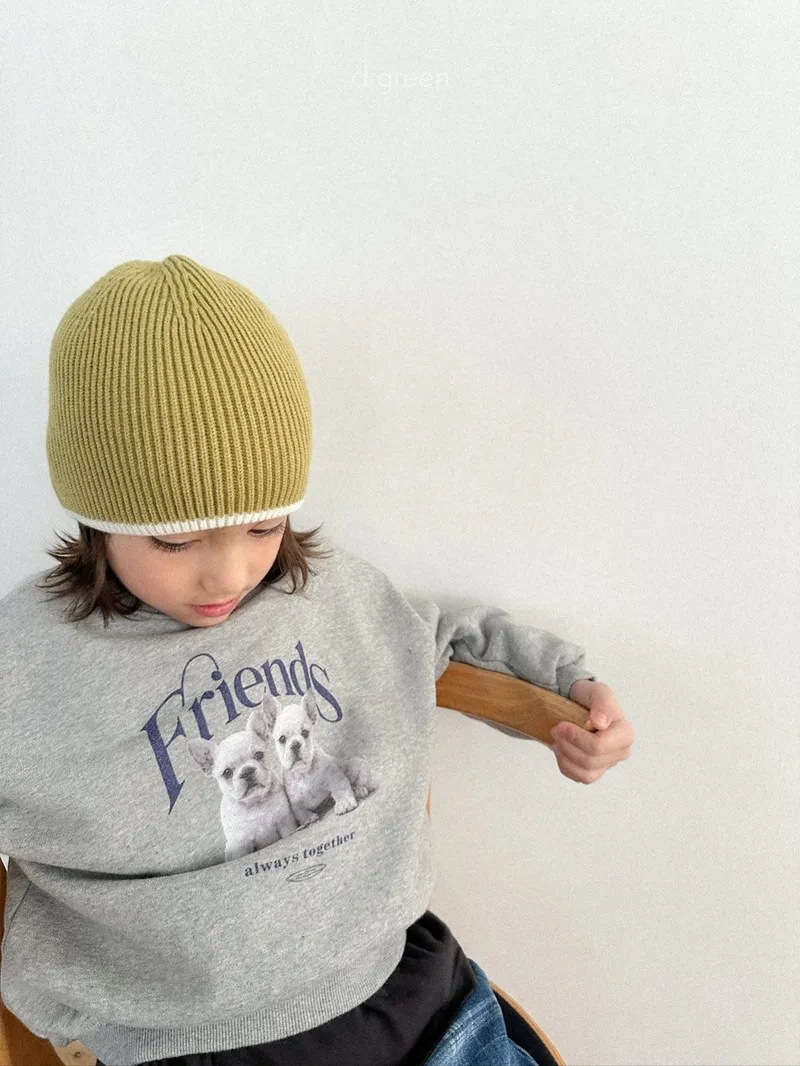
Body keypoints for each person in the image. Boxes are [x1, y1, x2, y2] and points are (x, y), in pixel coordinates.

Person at [0, 255, 635, 1066]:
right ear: (98, 519)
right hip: (181, 1039)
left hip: (415, 998)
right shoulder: (27, 665)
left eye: (263, 526)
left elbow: (446, 635)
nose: (229, 574)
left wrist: (572, 691)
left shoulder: (334, 597)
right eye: (176, 542)